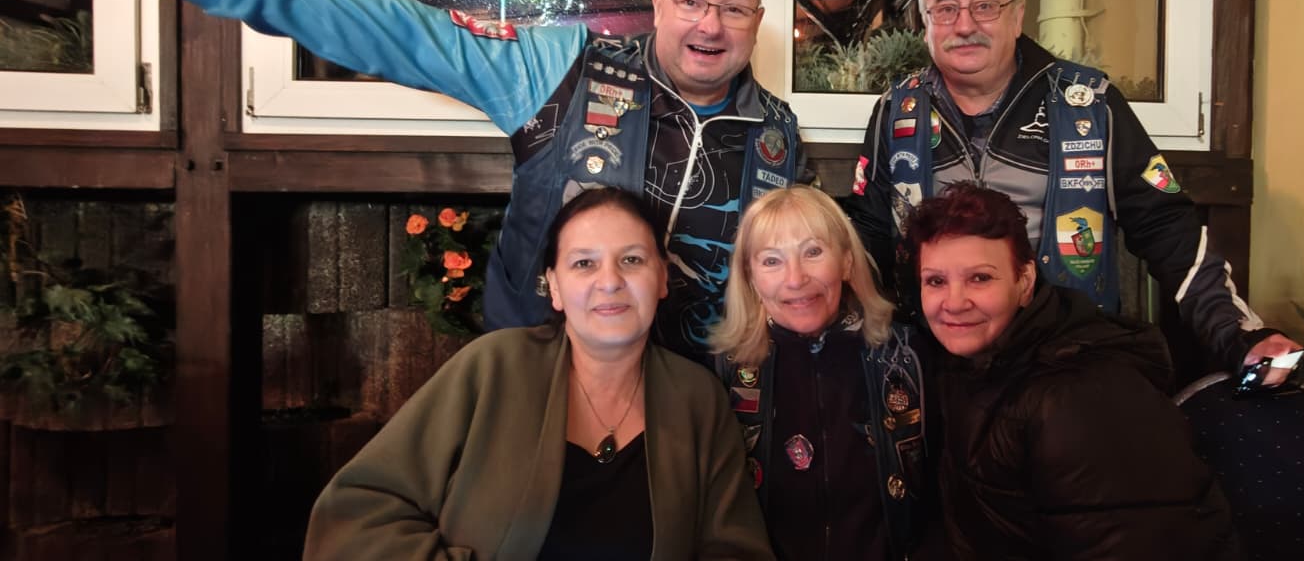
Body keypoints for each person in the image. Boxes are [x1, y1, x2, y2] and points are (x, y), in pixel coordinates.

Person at [17, 0, 807, 360]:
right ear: (658, 6)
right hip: (539, 384)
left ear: (758, 21)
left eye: (733, 8)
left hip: (698, 414)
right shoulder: (564, 69)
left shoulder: (777, 136)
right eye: (690, 1)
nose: (709, 24)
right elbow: (397, 29)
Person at [849, 0, 1299, 377]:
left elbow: (1164, 225)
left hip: (1064, 358)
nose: (965, 25)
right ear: (926, 24)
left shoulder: (1090, 104)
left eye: (985, 6)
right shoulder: (896, 110)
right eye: (946, 8)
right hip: (932, 359)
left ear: (1017, 16)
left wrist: (1236, 335)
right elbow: (865, 236)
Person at [302, 187, 774, 560]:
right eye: (584, 263)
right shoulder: (491, 368)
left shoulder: (697, 399)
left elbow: (735, 548)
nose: (610, 281)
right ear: (555, 288)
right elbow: (355, 513)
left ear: (662, 278)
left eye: (631, 259)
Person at [905, 183, 1237, 560]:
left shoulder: (1078, 399)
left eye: (980, 278)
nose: (954, 302)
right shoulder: (968, 365)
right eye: (935, 281)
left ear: (1025, 282)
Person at [710, 186, 936, 560]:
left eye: (813, 252)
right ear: (750, 276)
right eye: (772, 261)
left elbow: (945, 497)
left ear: (846, 261)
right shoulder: (723, 372)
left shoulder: (908, 355)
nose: (795, 279)